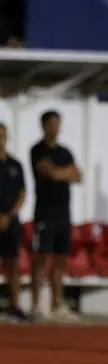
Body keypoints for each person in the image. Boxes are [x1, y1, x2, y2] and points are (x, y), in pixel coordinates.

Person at [30, 110, 82, 322]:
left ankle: (57, 304)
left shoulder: (65, 152)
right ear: (44, 126)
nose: (55, 128)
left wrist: (61, 172)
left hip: (63, 213)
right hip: (45, 212)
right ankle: (36, 306)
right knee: (41, 258)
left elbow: (78, 176)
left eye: (58, 124)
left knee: (61, 259)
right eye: (52, 124)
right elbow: (48, 172)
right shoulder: (37, 150)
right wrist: (64, 173)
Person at [0, 123, 29, 321]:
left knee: (13, 263)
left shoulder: (15, 165)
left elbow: (22, 194)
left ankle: (15, 305)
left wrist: (9, 215)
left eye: (2, 136)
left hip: (11, 222)